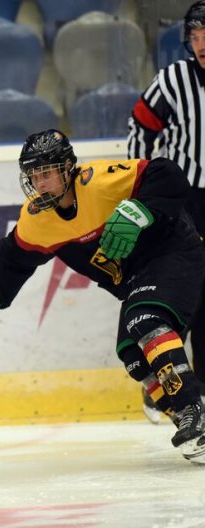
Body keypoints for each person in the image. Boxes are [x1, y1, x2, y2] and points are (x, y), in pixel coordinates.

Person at [0, 129, 205, 464]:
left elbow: (167, 174)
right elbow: (13, 257)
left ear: (68, 168)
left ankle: (194, 411)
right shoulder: (38, 220)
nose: (39, 182)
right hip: (137, 278)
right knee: (131, 353)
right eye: (33, 175)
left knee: (145, 320)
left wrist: (139, 210)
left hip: (174, 252)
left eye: (46, 173)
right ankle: (185, 418)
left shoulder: (99, 183)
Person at [127, 0, 205, 419]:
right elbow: (141, 126)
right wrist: (143, 185)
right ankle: (163, 379)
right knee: (180, 291)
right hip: (182, 199)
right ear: (188, 40)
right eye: (197, 35)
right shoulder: (173, 80)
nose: (203, 43)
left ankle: (200, 391)